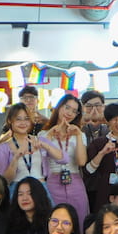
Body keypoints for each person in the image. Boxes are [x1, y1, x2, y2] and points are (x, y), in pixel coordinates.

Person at [39, 94, 90, 222]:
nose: (70, 113)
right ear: (59, 107)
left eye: (74, 111)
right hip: (52, 181)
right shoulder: (43, 134)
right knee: (54, 219)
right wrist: (50, 134)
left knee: (79, 218)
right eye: (67, 108)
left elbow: (81, 161)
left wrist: (78, 135)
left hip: (75, 180)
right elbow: (40, 159)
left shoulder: (80, 135)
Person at [0, 102, 62, 187]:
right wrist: (16, 158)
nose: (23, 123)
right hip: (17, 190)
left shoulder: (39, 140)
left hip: (40, 187)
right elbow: (5, 180)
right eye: (18, 119)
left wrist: (45, 145)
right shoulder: (3, 148)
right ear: (10, 121)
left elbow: (63, 158)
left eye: (26, 119)